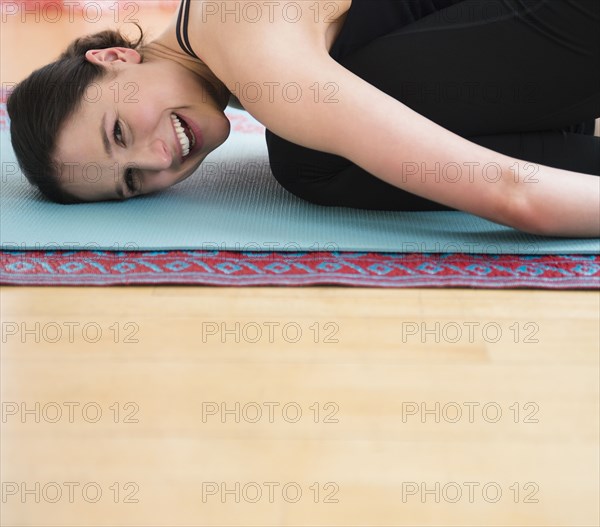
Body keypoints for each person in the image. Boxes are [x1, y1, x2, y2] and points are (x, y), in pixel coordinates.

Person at [7, 0, 600, 237]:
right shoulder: (206, 27)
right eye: (132, 180)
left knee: (308, 158)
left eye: (120, 132)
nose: (158, 158)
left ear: (114, 57)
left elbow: (515, 196)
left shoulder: (259, 60)